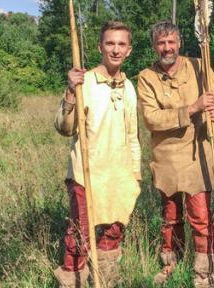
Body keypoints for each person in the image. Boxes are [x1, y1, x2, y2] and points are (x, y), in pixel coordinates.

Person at [137, 21, 214, 288]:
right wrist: (193, 108)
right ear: (155, 46)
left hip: (198, 154)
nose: (167, 48)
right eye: (161, 43)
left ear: (179, 43)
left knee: (201, 217)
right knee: (171, 216)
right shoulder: (146, 77)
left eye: (171, 42)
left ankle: (204, 273)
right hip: (166, 158)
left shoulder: (200, 66)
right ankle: (170, 264)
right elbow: (152, 119)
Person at [53, 21, 141, 288]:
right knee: (79, 235)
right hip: (86, 174)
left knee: (113, 231)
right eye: (110, 43)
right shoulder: (84, 82)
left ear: (129, 50)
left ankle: (105, 282)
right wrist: (70, 92)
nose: (115, 49)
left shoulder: (128, 88)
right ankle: (73, 282)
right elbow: (64, 128)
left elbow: (132, 136)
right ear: (100, 47)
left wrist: (135, 174)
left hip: (118, 175)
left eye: (121, 44)